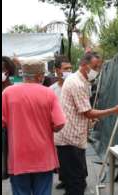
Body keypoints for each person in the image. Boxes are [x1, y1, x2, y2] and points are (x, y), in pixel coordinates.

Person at [57, 52, 118, 195]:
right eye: (95, 67)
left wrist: (90, 119)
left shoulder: (81, 81)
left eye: (99, 67)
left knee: (77, 180)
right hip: (70, 140)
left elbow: (81, 111)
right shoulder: (77, 83)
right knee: (76, 182)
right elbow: (87, 112)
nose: (98, 71)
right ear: (84, 66)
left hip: (73, 138)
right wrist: (114, 110)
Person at [2, 59, 66, 195]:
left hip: (18, 158)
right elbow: (59, 124)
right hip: (43, 158)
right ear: (39, 76)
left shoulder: (8, 93)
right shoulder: (49, 93)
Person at [48, 55, 73, 190]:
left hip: (73, 128)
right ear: (57, 70)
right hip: (58, 129)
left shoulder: (76, 85)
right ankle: (64, 179)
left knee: (75, 157)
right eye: (66, 68)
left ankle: (78, 182)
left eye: (70, 68)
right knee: (61, 157)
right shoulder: (51, 90)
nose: (69, 71)